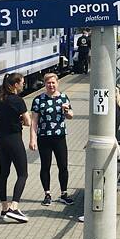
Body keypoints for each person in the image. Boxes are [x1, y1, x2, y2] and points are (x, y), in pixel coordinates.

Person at [29, 72, 75, 206]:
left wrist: (66, 111)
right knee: (45, 166)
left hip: (59, 137)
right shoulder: (38, 100)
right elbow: (34, 121)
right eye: (48, 83)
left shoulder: (64, 98)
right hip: (44, 137)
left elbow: (71, 116)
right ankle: (47, 194)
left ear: (57, 83)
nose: (51, 85)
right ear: (45, 84)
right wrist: (32, 139)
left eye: (53, 82)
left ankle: (64, 194)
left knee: (63, 166)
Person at [0, 72, 30, 222]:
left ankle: (4, 208)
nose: (23, 85)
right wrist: (20, 119)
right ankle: (14, 207)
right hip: (14, 139)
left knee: (4, 173)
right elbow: (28, 121)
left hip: (0, 139)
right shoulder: (18, 100)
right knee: (22, 174)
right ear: (15, 85)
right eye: (22, 82)